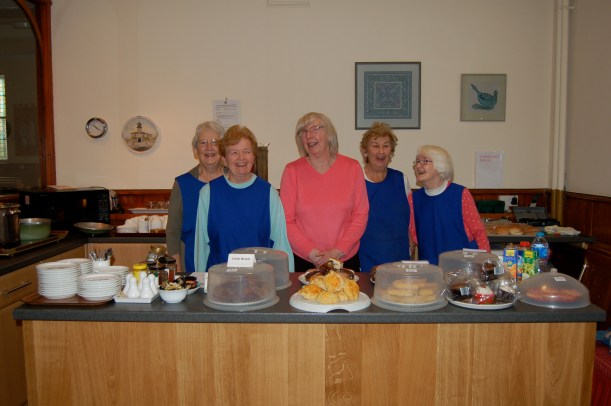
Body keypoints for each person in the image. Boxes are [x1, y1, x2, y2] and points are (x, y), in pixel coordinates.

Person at [194, 125, 294, 273]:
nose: (241, 158)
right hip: (220, 281)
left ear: (254, 156)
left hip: (260, 281)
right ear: (224, 159)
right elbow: (201, 247)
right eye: (234, 152)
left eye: (246, 151)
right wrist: (201, 280)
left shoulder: (269, 193)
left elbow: (281, 246)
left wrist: (287, 280)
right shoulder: (208, 193)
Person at [280, 112, 369, 272]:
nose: (309, 135)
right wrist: (312, 253)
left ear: (329, 135)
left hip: (345, 258)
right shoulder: (292, 171)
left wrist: (337, 252)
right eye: (303, 132)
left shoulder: (352, 168)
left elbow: (360, 215)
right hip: (305, 260)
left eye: (315, 129)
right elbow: (286, 220)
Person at [408, 145, 490, 265]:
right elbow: (414, 235)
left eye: (425, 161)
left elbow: (478, 232)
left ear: (440, 166)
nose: (418, 166)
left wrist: (486, 262)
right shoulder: (413, 199)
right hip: (430, 267)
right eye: (417, 161)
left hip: (463, 265)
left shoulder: (460, 194)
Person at [166, 121, 225, 275]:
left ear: (223, 148)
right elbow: (173, 231)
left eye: (215, 142)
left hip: (228, 264)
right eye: (203, 142)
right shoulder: (182, 184)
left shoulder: (233, 181)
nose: (209, 147)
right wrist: (178, 271)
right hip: (191, 265)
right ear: (195, 150)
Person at [358, 122, 412, 273]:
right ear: (365, 151)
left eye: (386, 146)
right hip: (366, 257)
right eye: (375, 146)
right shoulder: (356, 179)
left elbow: (410, 218)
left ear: (391, 152)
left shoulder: (401, 179)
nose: (381, 151)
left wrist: (412, 239)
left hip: (399, 256)